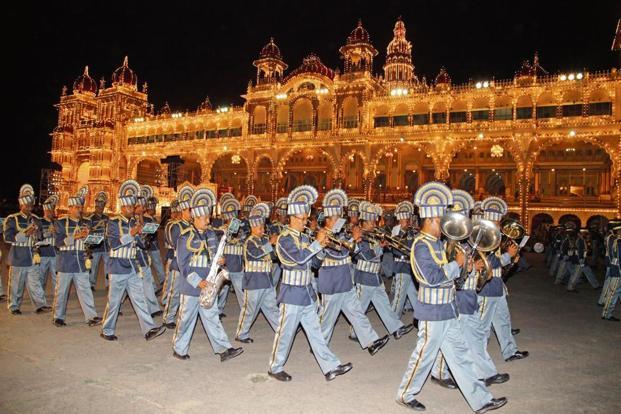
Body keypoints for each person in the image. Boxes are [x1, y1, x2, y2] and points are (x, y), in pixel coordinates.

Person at [396, 182, 507, 413]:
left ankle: (481, 400)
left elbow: (453, 280)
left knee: (461, 357)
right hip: (432, 312)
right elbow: (433, 278)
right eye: (442, 221)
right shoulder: (420, 246)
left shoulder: (437, 243)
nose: (445, 226)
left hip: (449, 309)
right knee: (423, 357)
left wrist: (466, 265)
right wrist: (456, 264)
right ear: (432, 220)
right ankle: (405, 394)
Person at [268, 185, 352, 382]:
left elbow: (314, 263)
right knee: (285, 334)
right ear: (292, 217)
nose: (306, 222)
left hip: (306, 293)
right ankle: (275, 366)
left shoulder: (304, 237)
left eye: (307, 218)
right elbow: (298, 259)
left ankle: (330, 366)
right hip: (291, 294)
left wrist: (322, 247)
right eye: (303, 219)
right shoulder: (284, 239)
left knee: (316, 333)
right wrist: (316, 244)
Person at [173, 187, 243, 361]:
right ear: (195, 218)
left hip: (210, 283)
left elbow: (213, 255)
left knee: (212, 317)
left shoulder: (212, 234)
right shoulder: (185, 236)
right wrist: (198, 282)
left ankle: (224, 349)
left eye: (208, 216)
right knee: (186, 319)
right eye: (204, 217)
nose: (207, 219)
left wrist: (221, 261)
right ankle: (179, 349)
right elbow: (183, 265)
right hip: (191, 286)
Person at [317, 189, 389, 355]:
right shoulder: (322, 235)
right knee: (327, 320)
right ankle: (319, 347)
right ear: (328, 220)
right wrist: (354, 239)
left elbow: (353, 251)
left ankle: (371, 342)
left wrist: (353, 240)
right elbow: (337, 252)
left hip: (345, 281)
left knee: (357, 313)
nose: (339, 222)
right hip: (331, 283)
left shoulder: (341, 234)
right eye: (336, 218)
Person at [100, 179, 165, 341]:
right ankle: (106, 330)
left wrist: (146, 236)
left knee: (139, 299)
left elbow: (141, 245)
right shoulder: (113, 222)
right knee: (114, 302)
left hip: (133, 267)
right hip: (117, 267)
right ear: (122, 207)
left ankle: (149, 329)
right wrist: (133, 234)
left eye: (133, 206)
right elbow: (114, 244)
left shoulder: (134, 222)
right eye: (129, 207)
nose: (132, 209)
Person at [351, 201, 414, 341]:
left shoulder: (373, 234)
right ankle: (354, 332)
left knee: (384, 305)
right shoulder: (358, 235)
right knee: (360, 308)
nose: (374, 224)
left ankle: (396, 329)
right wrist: (380, 246)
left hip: (376, 277)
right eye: (371, 222)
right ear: (364, 222)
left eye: (374, 221)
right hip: (364, 277)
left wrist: (383, 244)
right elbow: (367, 255)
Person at [478, 197, 528, 363]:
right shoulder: (483, 237)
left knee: (503, 320)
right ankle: (479, 359)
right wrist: (508, 256)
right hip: (486, 286)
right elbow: (489, 263)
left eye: (499, 219)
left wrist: (512, 260)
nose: (500, 223)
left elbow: (501, 266)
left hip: (497, 285)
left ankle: (510, 351)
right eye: (496, 220)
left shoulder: (498, 237)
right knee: (482, 326)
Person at [52, 191, 101, 327]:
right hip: (66, 261)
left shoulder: (87, 222)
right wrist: (76, 237)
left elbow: (90, 243)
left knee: (85, 289)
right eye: (77, 208)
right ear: (70, 208)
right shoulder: (61, 222)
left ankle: (91, 317)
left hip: (81, 260)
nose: (80, 210)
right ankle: (58, 317)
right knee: (62, 291)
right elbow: (58, 242)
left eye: (81, 207)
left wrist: (91, 239)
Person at [235, 203, 280, 343]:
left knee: (272, 308)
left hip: (266, 281)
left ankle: (281, 330)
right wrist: (270, 244)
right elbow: (256, 254)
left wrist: (276, 245)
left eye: (263, 227)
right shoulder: (249, 242)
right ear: (253, 228)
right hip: (253, 282)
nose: (262, 230)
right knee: (249, 310)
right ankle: (241, 334)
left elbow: (273, 257)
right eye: (260, 228)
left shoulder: (263, 240)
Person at [3, 184, 50, 315]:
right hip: (18, 256)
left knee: (35, 283)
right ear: (21, 205)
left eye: (31, 204)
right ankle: (14, 306)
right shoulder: (12, 219)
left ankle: (40, 305)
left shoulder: (36, 219)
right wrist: (25, 234)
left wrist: (43, 237)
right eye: (27, 205)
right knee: (16, 284)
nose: (29, 207)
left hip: (33, 255)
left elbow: (40, 236)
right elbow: (7, 237)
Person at [162, 184, 195, 329]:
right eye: (189, 210)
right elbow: (176, 243)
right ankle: (168, 317)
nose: (192, 213)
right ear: (183, 210)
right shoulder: (175, 225)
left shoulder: (195, 226)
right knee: (174, 292)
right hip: (178, 263)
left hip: (192, 263)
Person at [86, 192, 110, 290]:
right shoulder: (90, 218)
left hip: (105, 246)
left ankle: (108, 284)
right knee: (93, 267)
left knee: (108, 266)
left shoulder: (106, 218)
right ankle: (91, 284)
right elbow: (87, 232)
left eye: (102, 206)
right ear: (96, 206)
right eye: (99, 206)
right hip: (95, 247)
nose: (100, 208)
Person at [38, 195, 59, 293]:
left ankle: (57, 296)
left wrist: (56, 233)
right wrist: (48, 233)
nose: (52, 213)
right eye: (49, 211)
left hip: (55, 253)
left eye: (52, 210)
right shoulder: (40, 222)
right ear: (45, 211)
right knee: (41, 276)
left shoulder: (57, 222)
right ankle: (40, 296)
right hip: (43, 253)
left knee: (56, 276)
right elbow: (37, 237)